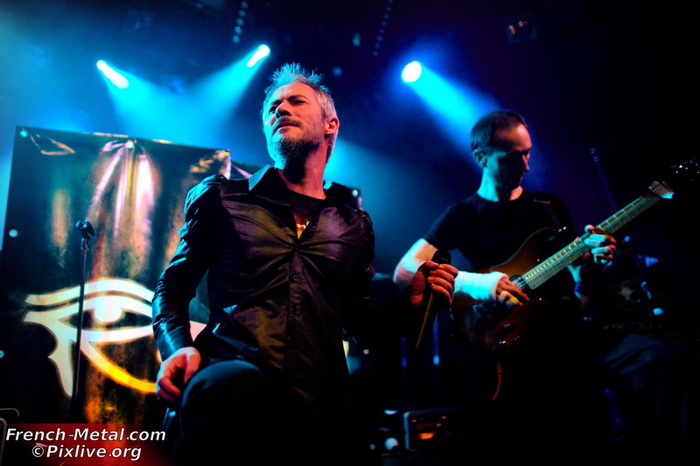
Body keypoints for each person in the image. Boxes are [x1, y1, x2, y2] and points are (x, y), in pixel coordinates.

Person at [151, 63, 458, 466]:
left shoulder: (353, 223)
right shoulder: (221, 198)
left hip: (319, 404)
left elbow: (363, 323)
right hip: (231, 380)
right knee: (231, 385)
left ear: (330, 125)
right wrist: (177, 348)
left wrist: (411, 305)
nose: (281, 109)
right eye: (272, 107)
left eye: (296, 101)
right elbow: (172, 288)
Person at [393, 110, 619, 456]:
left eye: (528, 153)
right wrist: (478, 284)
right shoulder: (463, 214)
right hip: (506, 350)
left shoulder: (549, 207)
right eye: (514, 156)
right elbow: (405, 270)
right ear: (482, 156)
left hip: (563, 344)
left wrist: (592, 263)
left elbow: (580, 282)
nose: (526, 166)